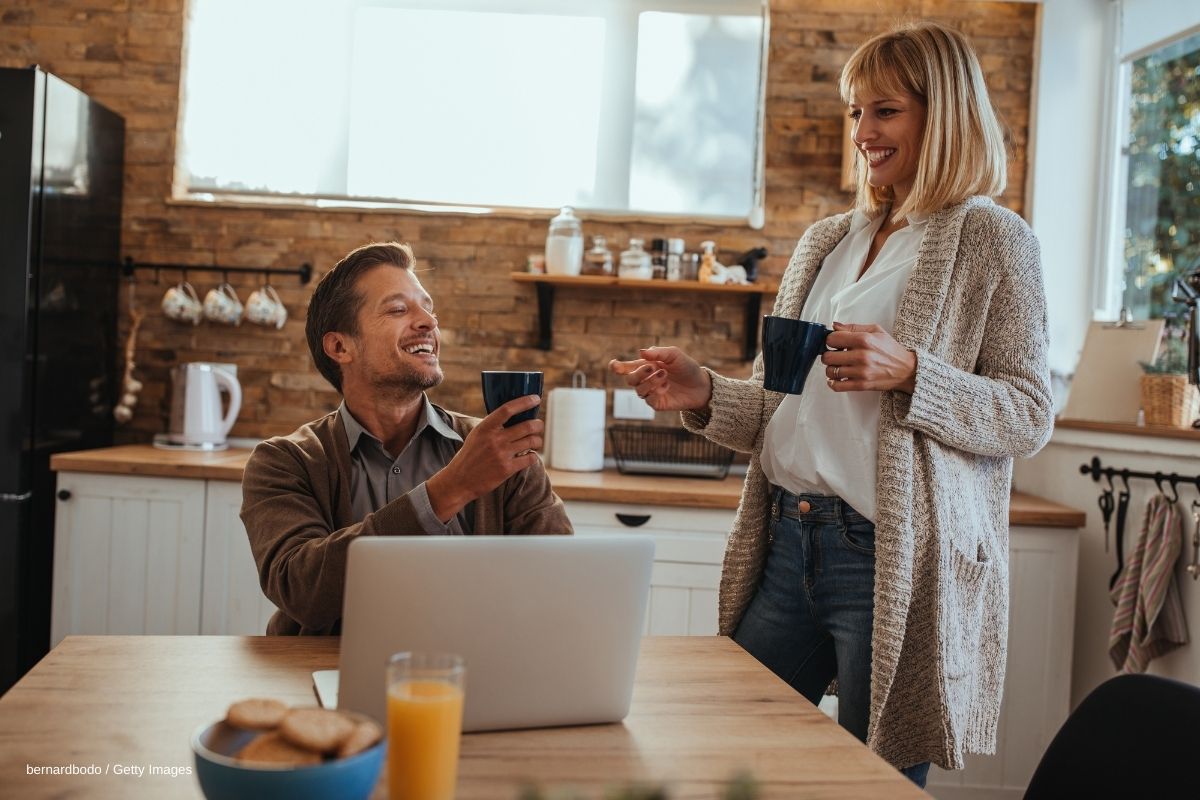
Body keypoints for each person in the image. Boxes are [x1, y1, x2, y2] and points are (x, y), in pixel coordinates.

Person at [610, 21, 1051, 787]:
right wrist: (705, 391)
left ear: (941, 114)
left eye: (884, 111)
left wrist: (912, 370)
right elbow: (786, 410)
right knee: (728, 763)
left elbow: (1027, 412)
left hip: (884, 555)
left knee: (870, 782)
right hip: (787, 542)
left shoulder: (993, 240)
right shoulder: (827, 242)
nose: (863, 134)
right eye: (855, 113)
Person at [242, 241, 572, 636]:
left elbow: (560, 584)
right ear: (340, 346)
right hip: (328, 678)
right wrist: (452, 488)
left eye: (427, 307)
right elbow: (301, 590)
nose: (429, 322)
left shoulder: (501, 452)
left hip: (475, 678)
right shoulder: (284, 462)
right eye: (398, 309)